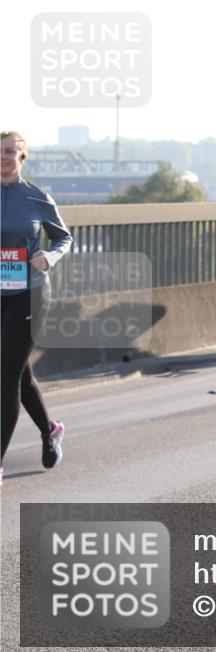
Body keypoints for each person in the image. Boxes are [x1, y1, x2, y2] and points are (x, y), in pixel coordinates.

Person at [1, 131, 72, 481]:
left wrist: (50, 256)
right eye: (0, 152)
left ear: (22, 158)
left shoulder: (36, 197)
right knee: (18, 372)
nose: (4, 157)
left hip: (29, 292)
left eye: (11, 151)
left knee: (5, 376)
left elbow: (63, 236)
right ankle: (50, 430)